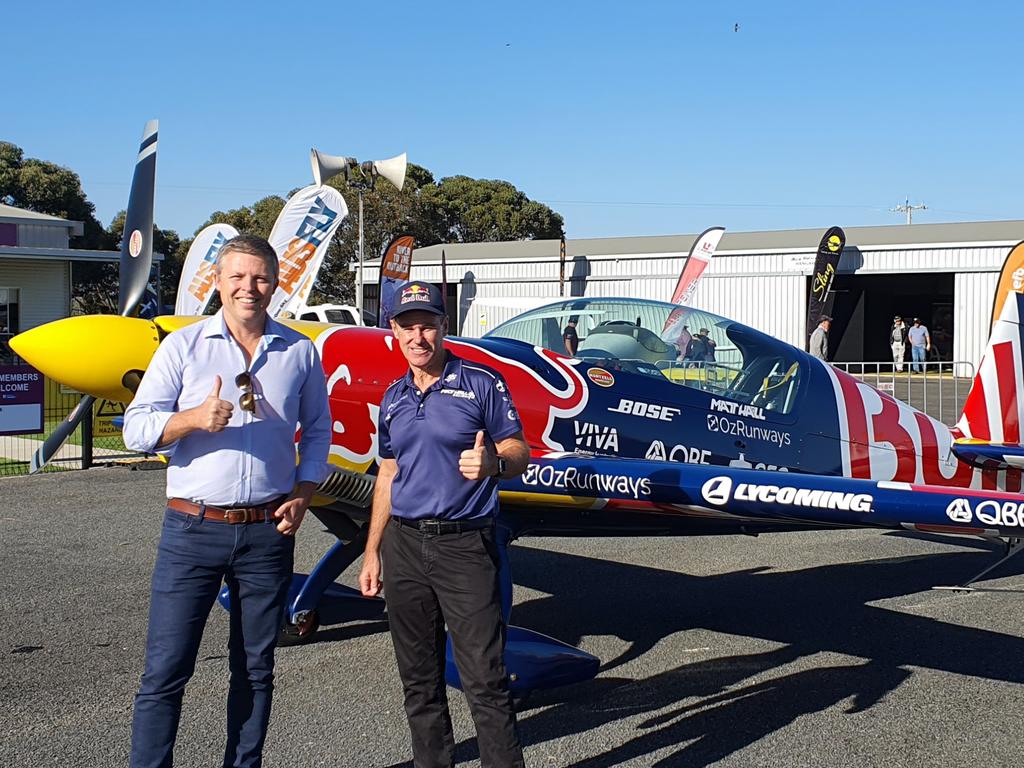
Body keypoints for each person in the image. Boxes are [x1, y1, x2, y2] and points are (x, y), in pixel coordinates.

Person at [122, 234, 331, 768]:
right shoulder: (183, 347)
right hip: (192, 530)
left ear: (275, 283)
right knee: (166, 672)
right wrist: (192, 419)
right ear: (217, 281)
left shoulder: (299, 351)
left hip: (268, 532)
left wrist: (305, 492)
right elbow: (135, 430)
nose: (249, 288)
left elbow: (319, 432)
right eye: (237, 277)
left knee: (256, 670)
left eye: (260, 277)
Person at [359, 281, 530, 768]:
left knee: (485, 680)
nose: (419, 336)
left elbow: (518, 449)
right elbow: (388, 475)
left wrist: (494, 463)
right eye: (407, 326)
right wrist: (373, 552)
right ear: (393, 331)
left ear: (442, 327)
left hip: (464, 547)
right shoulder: (392, 398)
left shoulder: (481, 382)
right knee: (419, 680)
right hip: (405, 547)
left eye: (427, 325)